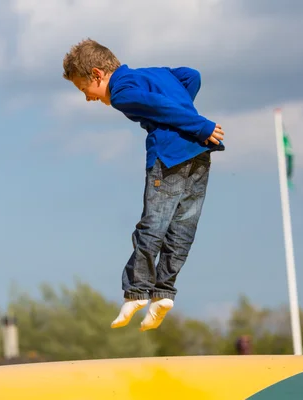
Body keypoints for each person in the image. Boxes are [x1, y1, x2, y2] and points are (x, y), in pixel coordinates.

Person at [62, 39, 225, 332]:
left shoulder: (123, 93)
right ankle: (163, 293)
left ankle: (136, 292)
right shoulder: (153, 74)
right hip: (200, 153)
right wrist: (184, 114)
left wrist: (194, 123)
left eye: (83, 88)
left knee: (154, 225)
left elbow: (158, 105)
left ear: (98, 75)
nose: (87, 97)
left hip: (169, 157)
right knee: (183, 226)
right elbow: (191, 76)